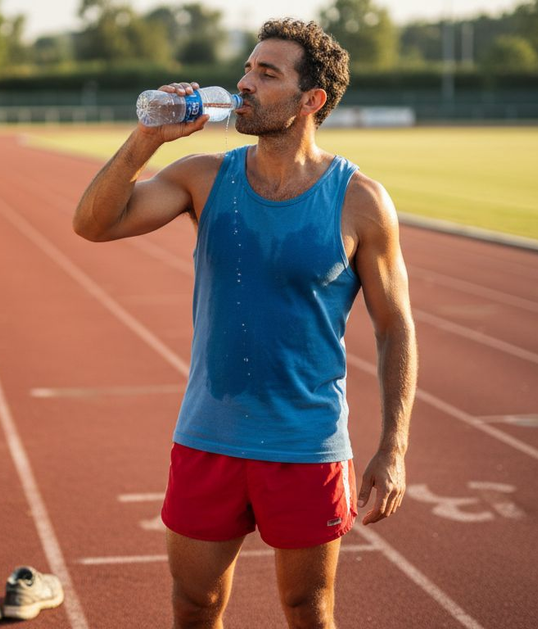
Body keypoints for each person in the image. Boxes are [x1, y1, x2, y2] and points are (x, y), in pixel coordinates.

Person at [72, 18, 417, 629]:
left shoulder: (360, 200)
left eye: (267, 73)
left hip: (306, 444)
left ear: (311, 100)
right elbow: (94, 224)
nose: (243, 83)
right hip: (209, 433)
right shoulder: (205, 177)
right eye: (248, 68)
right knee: (194, 603)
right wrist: (146, 140)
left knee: (307, 609)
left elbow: (395, 327)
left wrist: (394, 446)